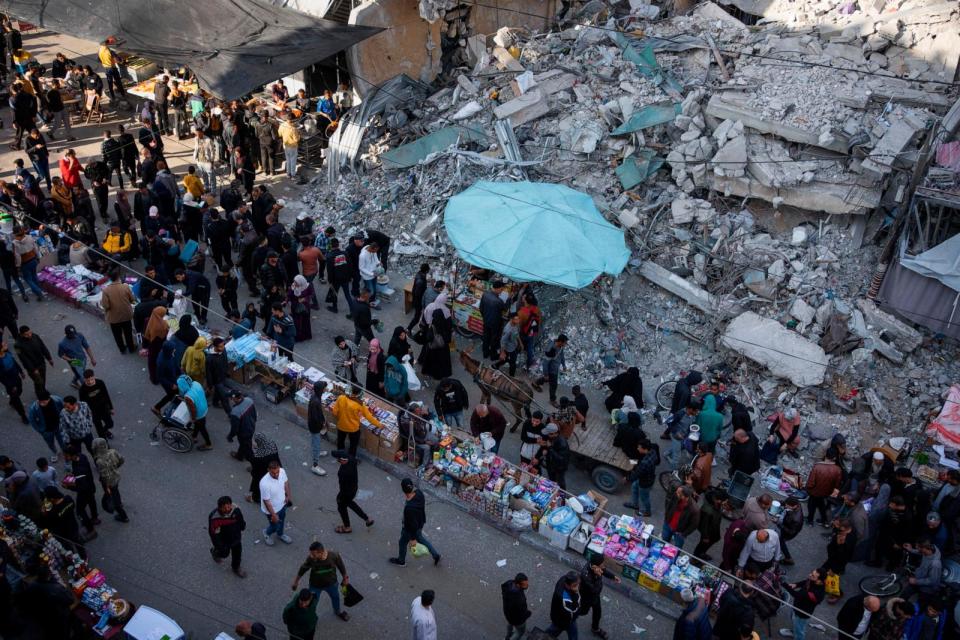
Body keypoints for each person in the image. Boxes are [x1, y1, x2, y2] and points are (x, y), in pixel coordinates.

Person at [290, 541, 351, 622]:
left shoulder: (334, 556)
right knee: (312, 603)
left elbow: (341, 567)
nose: (311, 556)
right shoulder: (311, 559)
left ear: (321, 552)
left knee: (335, 598)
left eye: (313, 554)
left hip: (331, 584)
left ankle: (338, 612)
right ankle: (310, 617)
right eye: (311, 554)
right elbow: (303, 569)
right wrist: (296, 581)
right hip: (315, 586)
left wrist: (345, 578)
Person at [389, 477, 441, 566]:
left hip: (409, 529)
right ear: (412, 487)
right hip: (421, 522)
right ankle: (435, 555)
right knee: (421, 538)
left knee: (402, 542)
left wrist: (412, 539)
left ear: (403, 490)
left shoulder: (409, 508)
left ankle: (401, 561)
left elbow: (412, 525)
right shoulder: (419, 493)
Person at [331, 449, 374, 534]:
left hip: (346, 492)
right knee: (350, 503)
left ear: (342, 460)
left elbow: (342, 487)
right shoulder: (352, 459)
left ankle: (347, 527)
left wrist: (339, 498)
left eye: (338, 460)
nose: (338, 461)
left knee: (341, 506)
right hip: (353, 489)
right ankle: (367, 519)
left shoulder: (343, 472)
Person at [578, 555, 619, 639]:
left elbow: (604, 570)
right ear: (595, 566)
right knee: (583, 611)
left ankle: (595, 628)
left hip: (595, 597)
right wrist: (599, 576)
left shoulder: (596, 566)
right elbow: (595, 589)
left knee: (597, 612)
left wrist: (613, 576)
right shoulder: (586, 575)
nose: (604, 565)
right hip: (587, 597)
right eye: (602, 564)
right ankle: (569, 615)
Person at [331, 386, 381, 457]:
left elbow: (334, 412)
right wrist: (380, 425)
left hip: (341, 426)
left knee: (340, 441)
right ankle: (351, 458)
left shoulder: (341, 398)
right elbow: (369, 417)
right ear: (360, 393)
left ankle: (340, 456)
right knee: (353, 445)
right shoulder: (360, 404)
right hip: (353, 429)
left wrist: (342, 417)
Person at [41, 486, 86, 558]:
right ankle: (84, 557)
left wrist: (44, 511)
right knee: (78, 543)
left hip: (63, 532)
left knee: (67, 546)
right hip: (73, 526)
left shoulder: (53, 511)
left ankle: (73, 558)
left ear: (51, 498)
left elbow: (49, 521)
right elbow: (73, 506)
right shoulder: (68, 498)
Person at [63, 444, 99, 533]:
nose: (65, 457)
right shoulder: (82, 456)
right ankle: (95, 518)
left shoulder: (79, 470)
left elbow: (81, 487)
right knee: (91, 501)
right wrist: (74, 475)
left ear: (73, 455)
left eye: (66, 455)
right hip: (91, 485)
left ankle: (90, 530)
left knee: (80, 510)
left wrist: (68, 486)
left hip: (85, 491)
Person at [92, 436, 129, 522]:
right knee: (116, 492)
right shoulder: (113, 451)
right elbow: (122, 460)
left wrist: (107, 487)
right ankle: (119, 503)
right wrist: (115, 468)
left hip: (109, 482)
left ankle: (123, 516)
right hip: (116, 477)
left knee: (113, 498)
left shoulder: (99, 461)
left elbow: (105, 476)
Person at [100, 270, 138, 354]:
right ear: (118, 277)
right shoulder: (125, 287)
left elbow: (106, 306)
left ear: (110, 278)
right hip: (126, 315)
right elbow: (132, 300)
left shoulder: (106, 290)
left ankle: (122, 349)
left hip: (114, 318)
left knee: (117, 335)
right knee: (128, 332)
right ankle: (131, 347)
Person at [209, 495, 247, 578]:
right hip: (224, 541)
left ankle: (236, 568)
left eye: (228, 506)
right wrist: (219, 546)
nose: (227, 509)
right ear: (219, 507)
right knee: (224, 554)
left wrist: (242, 526)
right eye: (224, 508)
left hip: (236, 538)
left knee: (237, 553)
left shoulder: (236, 510)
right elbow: (214, 534)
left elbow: (241, 520)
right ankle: (215, 552)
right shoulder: (215, 518)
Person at [806, 447, 843, 526]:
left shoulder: (817, 467)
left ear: (826, 455)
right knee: (821, 504)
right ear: (835, 458)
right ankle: (824, 520)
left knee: (812, 504)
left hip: (814, 491)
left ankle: (810, 521)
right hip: (826, 492)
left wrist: (807, 489)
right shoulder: (838, 469)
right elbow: (836, 485)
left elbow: (810, 483)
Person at [419, 298, 452, 381]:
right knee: (442, 362)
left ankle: (432, 373)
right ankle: (441, 375)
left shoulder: (433, 326)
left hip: (434, 348)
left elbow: (429, 338)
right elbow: (448, 337)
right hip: (443, 348)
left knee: (433, 362)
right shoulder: (445, 324)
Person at [260, 460, 292, 546]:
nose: (276, 474)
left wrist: (288, 495)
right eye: (273, 473)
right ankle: (267, 533)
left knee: (282, 521)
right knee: (274, 526)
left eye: (277, 471)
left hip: (282, 504)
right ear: (268, 470)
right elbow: (266, 501)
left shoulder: (282, 471)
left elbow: (286, 483)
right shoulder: (264, 483)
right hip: (272, 510)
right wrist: (273, 515)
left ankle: (280, 534)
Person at [177, 373, 213, 450]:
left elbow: (193, 410)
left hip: (199, 413)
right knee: (199, 424)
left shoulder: (188, 396)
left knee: (202, 428)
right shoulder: (196, 384)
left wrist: (193, 418)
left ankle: (208, 444)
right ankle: (194, 436)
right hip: (204, 406)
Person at [79, 369, 114, 439]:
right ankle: (105, 446)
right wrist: (86, 414)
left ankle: (105, 431)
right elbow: (82, 403)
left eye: (91, 379)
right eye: (87, 380)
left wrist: (111, 408)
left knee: (110, 424)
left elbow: (106, 395)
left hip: (104, 408)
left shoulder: (100, 383)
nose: (90, 382)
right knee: (99, 429)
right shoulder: (82, 389)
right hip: (93, 412)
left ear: (93, 377)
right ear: (84, 379)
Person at [693, 487, 725, 560]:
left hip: (713, 529)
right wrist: (705, 536)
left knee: (706, 544)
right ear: (716, 500)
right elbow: (704, 525)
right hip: (708, 532)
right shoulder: (707, 510)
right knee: (702, 545)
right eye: (722, 501)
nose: (723, 503)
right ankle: (695, 558)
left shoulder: (715, 504)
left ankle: (701, 554)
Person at [547, 571, 581, 639]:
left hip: (558, 615)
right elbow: (574, 610)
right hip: (564, 620)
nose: (578, 587)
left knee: (552, 631)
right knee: (555, 630)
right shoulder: (565, 599)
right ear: (568, 586)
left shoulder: (563, 579)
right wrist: (576, 593)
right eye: (575, 585)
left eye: (578, 584)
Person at [479, 280, 507, 360]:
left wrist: (485, 317)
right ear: (497, 288)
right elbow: (505, 309)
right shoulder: (498, 301)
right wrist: (508, 300)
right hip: (495, 323)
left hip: (486, 320)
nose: (501, 292)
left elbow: (481, 308)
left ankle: (485, 353)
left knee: (486, 337)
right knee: (494, 339)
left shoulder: (485, 294)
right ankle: (493, 355)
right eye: (501, 290)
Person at [228, 392, 258, 463]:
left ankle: (255, 466)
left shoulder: (235, 412)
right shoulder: (249, 400)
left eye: (231, 398)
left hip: (244, 434)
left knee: (248, 449)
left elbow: (235, 428)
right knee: (244, 444)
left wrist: (230, 436)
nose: (230, 400)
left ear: (235, 399)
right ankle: (240, 456)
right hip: (251, 427)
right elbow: (254, 414)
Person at [307, 381, 329, 476]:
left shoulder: (315, 397)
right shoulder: (315, 401)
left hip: (314, 425)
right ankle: (315, 465)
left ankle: (318, 452)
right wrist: (323, 424)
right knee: (316, 443)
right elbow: (315, 417)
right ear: (320, 389)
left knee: (316, 440)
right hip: (315, 426)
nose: (325, 389)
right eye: (324, 388)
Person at [502, 573, 532, 640]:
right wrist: (528, 613)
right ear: (518, 585)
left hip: (508, 613)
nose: (527, 585)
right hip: (517, 620)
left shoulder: (508, 584)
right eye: (525, 584)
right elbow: (523, 612)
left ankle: (508, 635)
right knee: (520, 632)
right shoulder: (519, 599)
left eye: (527, 583)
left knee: (510, 623)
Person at [541, 423, 571, 489]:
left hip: (559, 468)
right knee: (551, 481)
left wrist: (550, 448)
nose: (547, 435)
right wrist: (546, 448)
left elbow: (561, 459)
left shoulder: (562, 443)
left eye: (548, 434)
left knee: (560, 483)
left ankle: (563, 496)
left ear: (554, 433)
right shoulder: (551, 438)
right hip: (551, 465)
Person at [779, 496, 804, 565]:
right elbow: (785, 503)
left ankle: (788, 558)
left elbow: (791, 532)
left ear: (794, 506)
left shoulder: (796, 519)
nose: (786, 506)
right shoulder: (796, 503)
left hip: (789, 532)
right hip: (788, 525)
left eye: (787, 506)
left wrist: (779, 524)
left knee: (781, 541)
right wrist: (779, 502)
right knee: (780, 540)